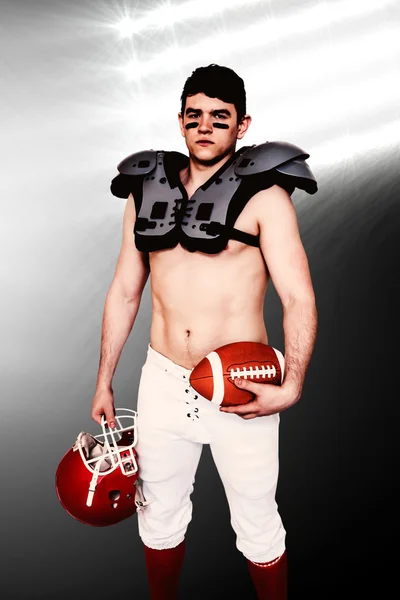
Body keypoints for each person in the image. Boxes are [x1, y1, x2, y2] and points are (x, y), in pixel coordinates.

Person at [91, 64, 318, 599]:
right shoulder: (145, 193)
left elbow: (298, 296)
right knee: (159, 517)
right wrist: (104, 379)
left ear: (242, 126)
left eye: (220, 117)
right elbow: (125, 291)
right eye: (195, 115)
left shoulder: (267, 198)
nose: (206, 126)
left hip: (242, 383)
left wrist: (294, 381)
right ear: (181, 121)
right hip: (164, 379)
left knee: (258, 524)